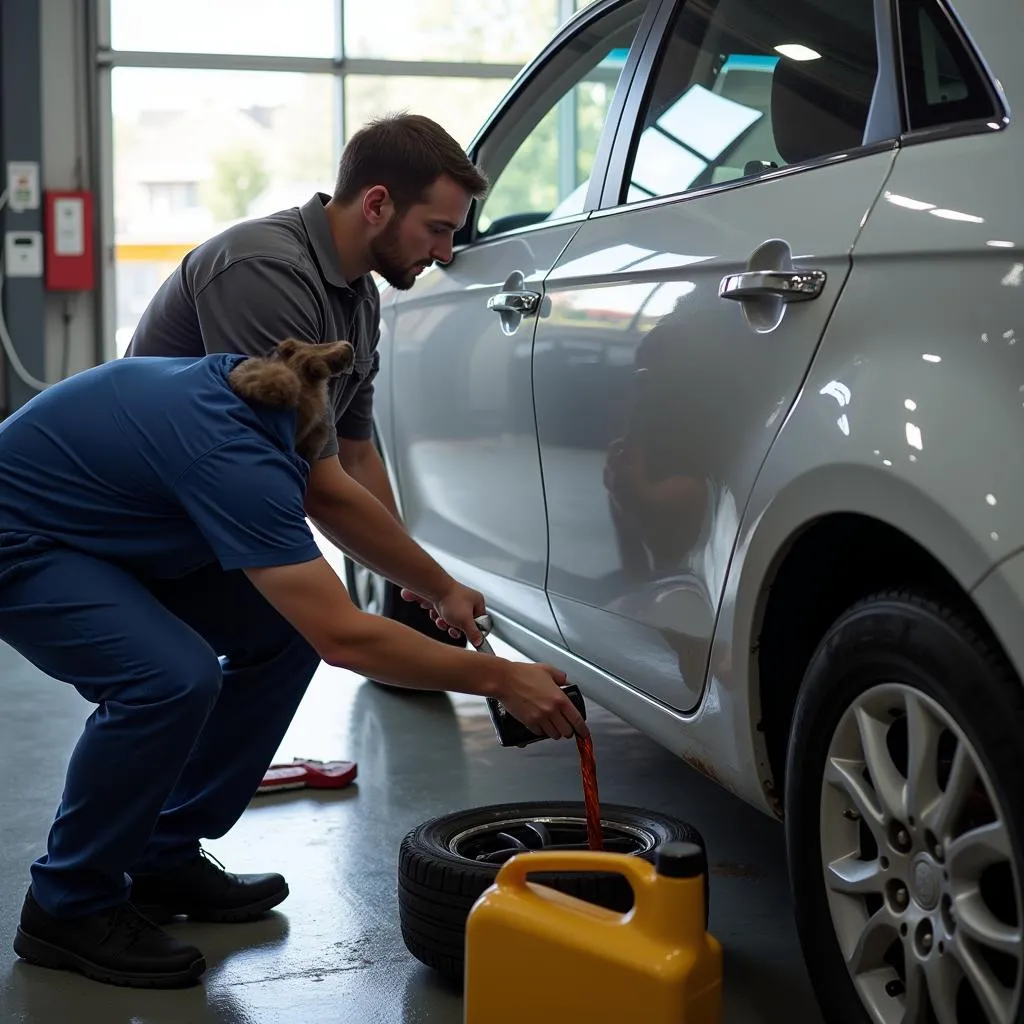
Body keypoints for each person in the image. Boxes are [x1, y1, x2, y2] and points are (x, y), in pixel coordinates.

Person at [0, 337, 586, 989]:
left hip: (100, 532)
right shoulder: (236, 457)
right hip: (21, 540)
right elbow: (346, 639)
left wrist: (439, 585)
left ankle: (160, 856)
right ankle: (68, 903)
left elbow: (330, 496)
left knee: (280, 630)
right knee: (167, 678)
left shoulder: (256, 395)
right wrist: (499, 678)